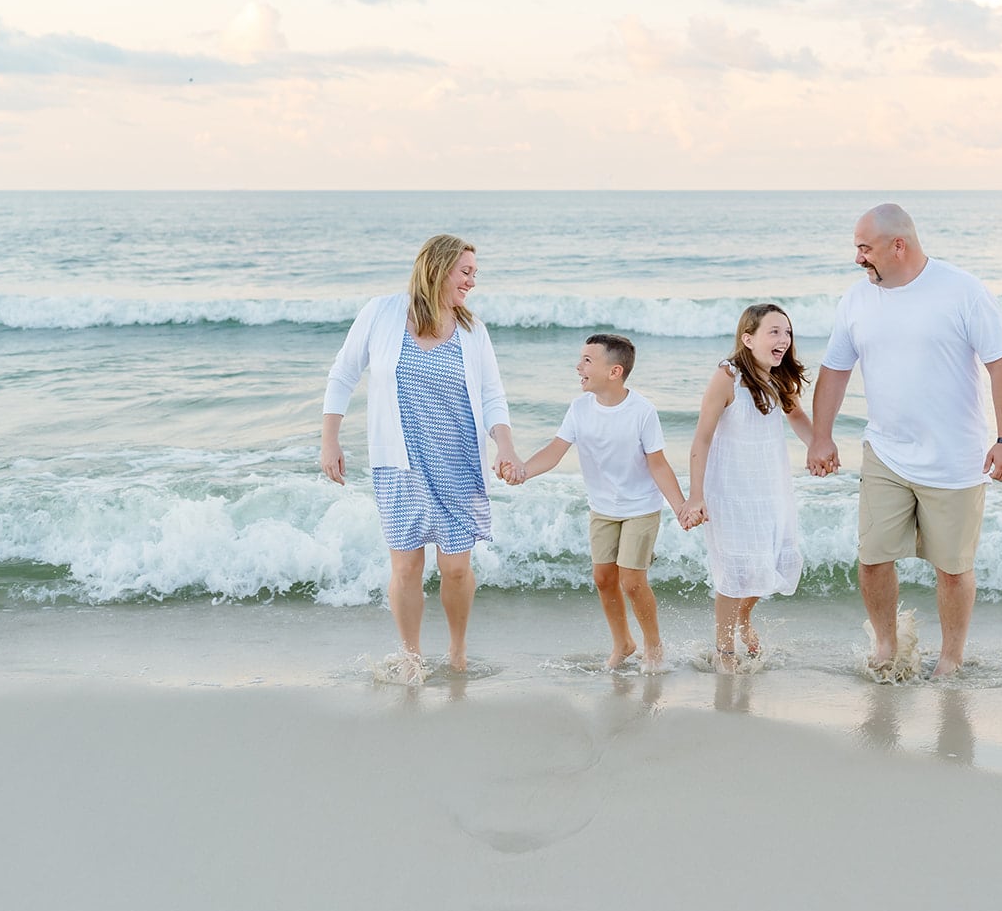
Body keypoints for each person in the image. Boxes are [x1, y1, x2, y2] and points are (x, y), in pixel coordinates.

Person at [806, 203, 1002, 679]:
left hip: (955, 460)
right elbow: (835, 371)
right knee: (873, 557)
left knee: (952, 568)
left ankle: (950, 657)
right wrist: (820, 437)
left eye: (865, 248)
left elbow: (1001, 366)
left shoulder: (962, 291)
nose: (858, 258)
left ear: (897, 245)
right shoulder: (856, 301)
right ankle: (886, 646)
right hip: (885, 452)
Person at [320, 234, 521, 680]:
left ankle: (456, 649)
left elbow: (493, 396)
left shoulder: (472, 331)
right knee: (407, 566)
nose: (471, 282)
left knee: (455, 568)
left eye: (474, 274)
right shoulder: (382, 313)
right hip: (399, 463)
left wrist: (504, 444)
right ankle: (411, 656)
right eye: (465, 272)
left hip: (459, 461)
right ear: (439, 267)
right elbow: (343, 373)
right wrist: (329, 439)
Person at [512, 333, 689, 673]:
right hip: (603, 508)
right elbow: (554, 451)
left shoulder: (642, 411)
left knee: (632, 582)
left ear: (614, 371)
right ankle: (623, 642)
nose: (578, 366)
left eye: (587, 361)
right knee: (603, 578)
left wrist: (680, 506)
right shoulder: (579, 408)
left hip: (640, 507)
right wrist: (523, 470)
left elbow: (658, 463)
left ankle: (653, 647)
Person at [682, 304, 815, 673]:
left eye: (787, 332)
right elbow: (702, 439)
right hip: (728, 490)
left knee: (766, 561)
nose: (784, 340)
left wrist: (818, 444)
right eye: (774, 332)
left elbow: (797, 416)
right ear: (748, 338)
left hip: (768, 487)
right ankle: (724, 650)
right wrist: (696, 495)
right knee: (736, 571)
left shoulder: (777, 376)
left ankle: (744, 619)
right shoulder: (728, 377)